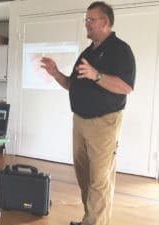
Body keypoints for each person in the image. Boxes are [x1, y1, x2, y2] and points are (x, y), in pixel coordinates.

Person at [41, 2, 136, 225]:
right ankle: (89, 220)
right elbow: (71, 85)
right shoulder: (88, 52)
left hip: (104, 123)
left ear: (105, 22)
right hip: (80, 122)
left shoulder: (120, 50)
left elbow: (126, 87)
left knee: (99, 180)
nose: (86, 24)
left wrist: (97, 76)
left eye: (90, 20)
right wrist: (56, 74)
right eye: (86, 20)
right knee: (85, 177)